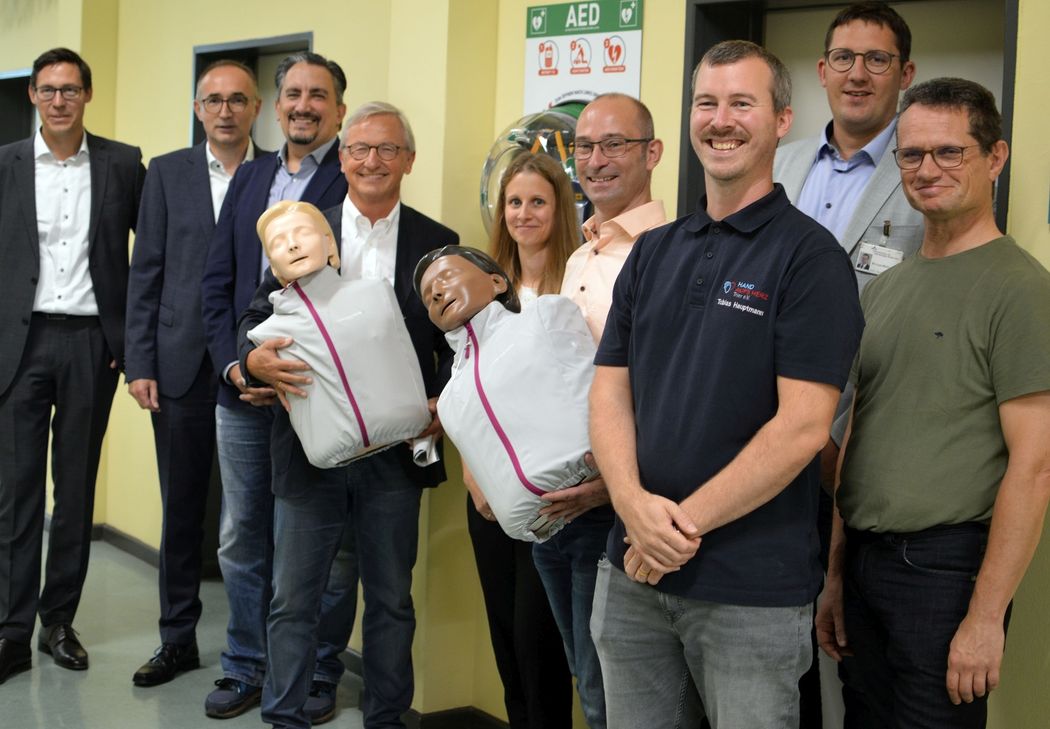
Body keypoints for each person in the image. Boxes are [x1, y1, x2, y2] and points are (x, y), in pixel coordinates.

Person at [589, 40, 863, 729]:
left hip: (749, 592)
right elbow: (610, 392)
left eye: (742, 103)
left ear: (782, 120)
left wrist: (676, 529)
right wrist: (632, 506)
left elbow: (803, 428)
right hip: (630, 573)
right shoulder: (654, 251)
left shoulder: (811, 260)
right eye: (706, 103)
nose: (721, 120)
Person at [818, 77, 1050, 729]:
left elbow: (1036, 466)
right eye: (912, 154)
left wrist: (985, 617)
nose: (927, 170)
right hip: (863, 560)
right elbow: (857, 433)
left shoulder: (1022, 290)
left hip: (945, 573)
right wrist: (835, 573)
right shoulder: (883, 289)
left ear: (995, 157)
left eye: (950, 152)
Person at [238, 101, 458, 729]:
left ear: (409, 160)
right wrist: (250, 364)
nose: (372, 161)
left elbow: (460, 342)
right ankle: (284, 717)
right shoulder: (303, 227)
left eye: (387, 149)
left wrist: (445, 400)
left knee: (391, 600)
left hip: (396, 457)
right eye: (359, 148)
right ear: (342, 158)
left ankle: (386, 718)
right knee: (293, 601)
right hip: (310, 456)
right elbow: (254, 319)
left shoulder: (438, 243)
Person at [771, 4, 925, 724]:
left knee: (858, 655)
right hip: (767, 437)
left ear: (905, 73)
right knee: (775, 642)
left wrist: (841, 437)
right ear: (822, 70)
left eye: (877, 59)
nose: (857, 74)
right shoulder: (781, 161)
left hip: (862, 443)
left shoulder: (925, 167)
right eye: (843, 58)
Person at [199, 51, 351, 722]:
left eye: (318, 95)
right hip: (242, 394)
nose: (303, 105)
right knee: (241, 537)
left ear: (338, 110)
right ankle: (245, 664)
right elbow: (217, 283)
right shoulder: (252, 174)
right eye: (293, 93)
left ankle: (317, 670)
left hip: (313, 394)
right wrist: (237, 366)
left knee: (318, 544)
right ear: (277, 102)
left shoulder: (353, 175)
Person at [0, 47, 145, 685]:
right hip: (19, 344)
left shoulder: (123, 164)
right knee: (16, 493)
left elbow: (151, 253)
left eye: (70, 89)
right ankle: (10, 631)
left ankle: (58, 621)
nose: (59, 100)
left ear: (87, 95)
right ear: (33, 95)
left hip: (92, 344)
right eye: (48, 89)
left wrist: (130, 337)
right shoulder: (4, 164)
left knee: (76, 489)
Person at [124, 59, 264, 688]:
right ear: (198, 109)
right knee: (181, 512)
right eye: (214, 100)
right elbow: (146, 270)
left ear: (256, 107)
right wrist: (140, 362)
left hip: (253, 363)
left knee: (251, 517)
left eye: (237, 99)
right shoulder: (166, 173)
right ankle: (176, 639)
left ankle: (255, 646)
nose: (225, 111)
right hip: (179, 364)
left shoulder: (276, 173)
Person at [532, 92, 666, 729]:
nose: (596, 159)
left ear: (652, 153)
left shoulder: (666, 252)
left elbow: (662, 390)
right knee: (584, 677)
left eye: (615, 144)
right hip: (559, 502)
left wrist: (611, 489)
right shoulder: (581, 254)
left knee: (614, 688)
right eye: (585, 146)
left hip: (615, 505)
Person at [467, 152, 576, 729]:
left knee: (541, 642)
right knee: (505, 635)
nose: (524, 213)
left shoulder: (577, 281)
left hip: (550, 496)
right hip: (487, 489)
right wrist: (473, 478)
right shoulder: (482, 290)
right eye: (514, 202)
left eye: (537, 201)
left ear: (560, 209)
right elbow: (464, 391)